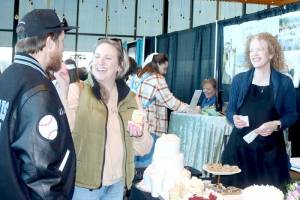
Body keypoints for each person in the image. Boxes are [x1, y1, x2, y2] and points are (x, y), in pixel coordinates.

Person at [59, 39, 153, 200]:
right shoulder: (77, 91)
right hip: (83, 186)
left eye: (108, 58)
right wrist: (62, 92)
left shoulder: (131, 99)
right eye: (97, 56)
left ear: (119, 66)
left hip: (117, 185)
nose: (100, 62)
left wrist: (139, 136)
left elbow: (144, 149)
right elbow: (64, 134)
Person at [0, 9, 76, 199]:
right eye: (61, 42)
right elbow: (40, 175)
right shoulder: (38, 92)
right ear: (50, 42)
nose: (62, 50)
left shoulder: (10, 75)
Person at [221, 32, 297, 189]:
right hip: (239, 151)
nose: (254, 54)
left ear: (271, 53)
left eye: (259, 49)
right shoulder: (239, 80)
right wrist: (233, 118)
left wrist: (276, 124)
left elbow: (292, 115)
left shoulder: (284, 83)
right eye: (251, 50)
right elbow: (230, 111)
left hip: (271, 153)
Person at [136, 53, 191, 135]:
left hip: (139, 123)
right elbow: (171, 102)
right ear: (158, 63)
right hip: (152, 127)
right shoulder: (157, 79)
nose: (165, 72)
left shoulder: (142, 77)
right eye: (164, 68)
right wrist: (189, 108)